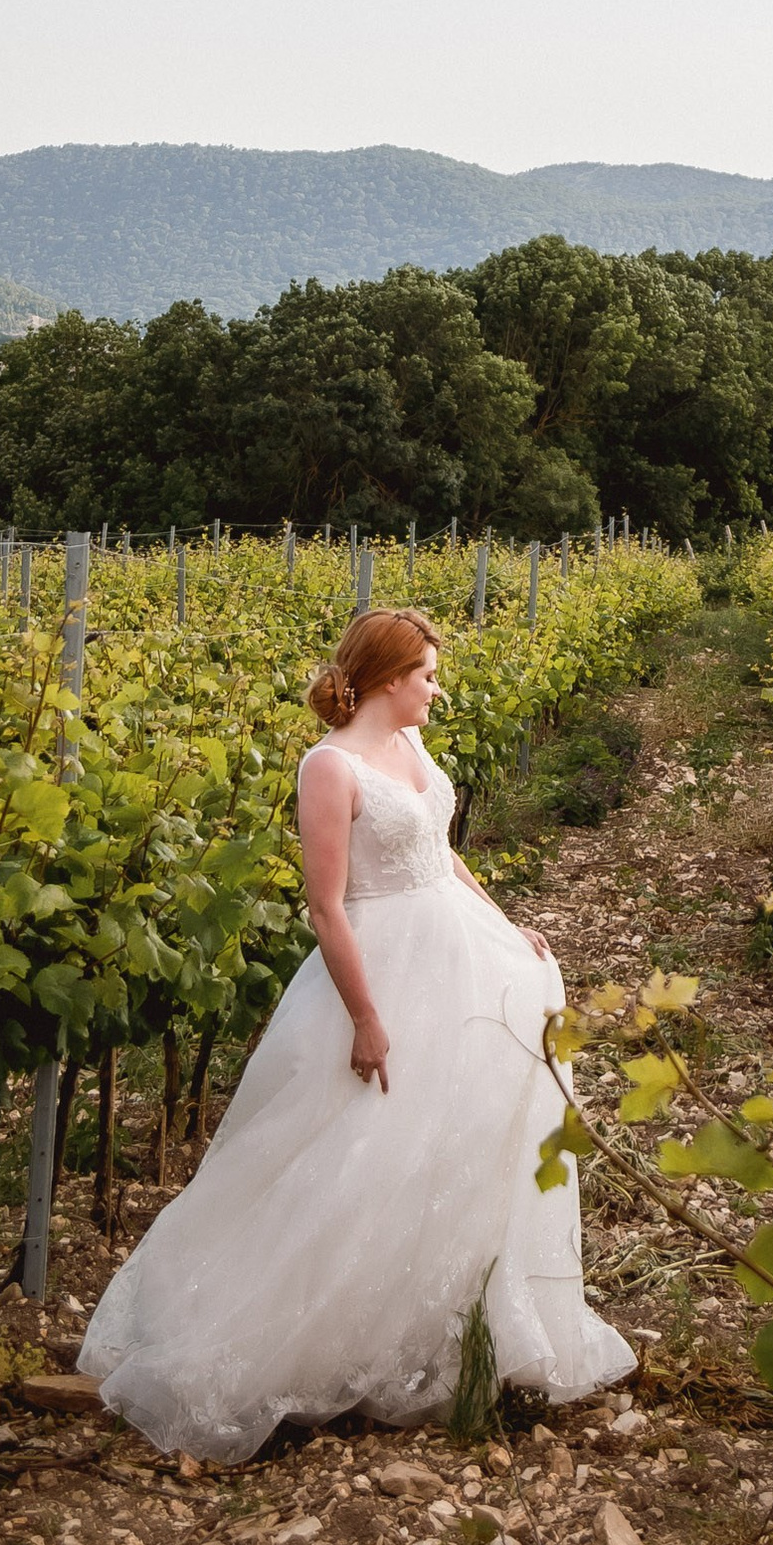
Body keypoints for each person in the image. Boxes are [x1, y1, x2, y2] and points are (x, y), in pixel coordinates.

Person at [78, 604, 634, 1462]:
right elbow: (327, 905)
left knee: (453, 1134)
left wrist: (504, 922)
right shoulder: (327, 767)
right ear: (384, 679)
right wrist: (367, 1016)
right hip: (384, 960)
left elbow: (440, 856)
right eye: (425, 677)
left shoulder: (410, 748)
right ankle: (310, 1333)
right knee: (358, 1143)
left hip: (455, 944)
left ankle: (453, 1324)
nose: (436, 691)